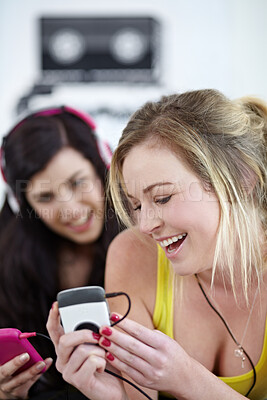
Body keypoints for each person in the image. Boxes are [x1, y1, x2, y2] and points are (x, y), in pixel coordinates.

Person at [47, 89, 267, 400]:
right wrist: (113, 397)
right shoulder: (133, 254)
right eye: (136, 205)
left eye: (162, 197)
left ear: (242, 179)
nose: (145, 225)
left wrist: (189, 379)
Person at [0, 106, 122, 399]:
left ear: (103, 166)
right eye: (45, 196)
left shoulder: (146, 241)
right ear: (23, 204)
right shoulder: (9, 264)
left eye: (78, 182)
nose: (70, 210)